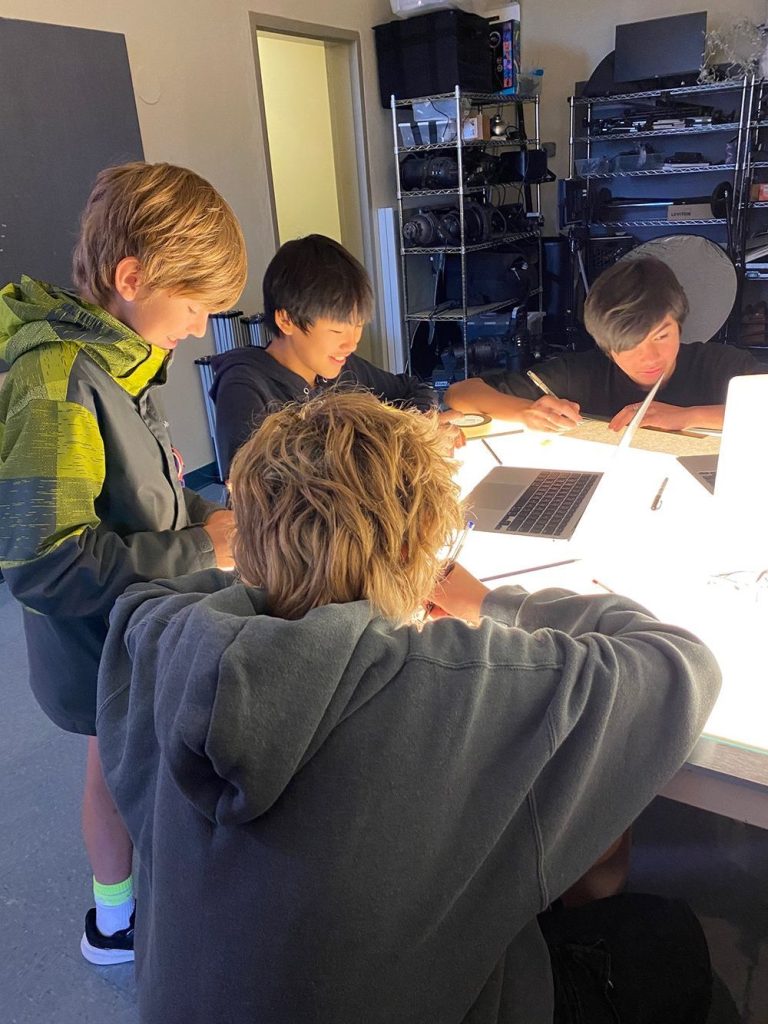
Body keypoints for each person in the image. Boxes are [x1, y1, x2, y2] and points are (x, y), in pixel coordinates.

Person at [97, 390, 720, 1024]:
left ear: (247, 537)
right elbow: (681, 664)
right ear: (417, 553)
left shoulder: (155, 643)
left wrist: (293, 574)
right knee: (668, 936)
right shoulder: (455, 684)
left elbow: (182, 593)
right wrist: (492, 605)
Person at [0, 162, 247, 964]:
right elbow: (41, 563)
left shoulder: (122, 356)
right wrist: (200, 547)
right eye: (196, 307)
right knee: (111, 776)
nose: (203, 329)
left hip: (141, 623)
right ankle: (112, 924)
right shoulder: (59, 383)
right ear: (133, 277)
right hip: (96, 648)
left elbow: (149, 487)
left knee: (139, 770)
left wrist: (213, 516)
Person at [210, 232, 460, 479]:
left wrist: (422, 426)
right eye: (337, 330)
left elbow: (412, 389)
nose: (351, 343)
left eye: (359, 325)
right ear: (286, 320)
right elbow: (266, 488)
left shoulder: (344, 369)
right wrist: (406, 444)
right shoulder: (244, 386)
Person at [446, 256, 766, 433]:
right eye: (629, 345)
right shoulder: (581, 374)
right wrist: (527, 411)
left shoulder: (717, 365)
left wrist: (690, 416)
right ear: (607, 347)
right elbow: (460, 393)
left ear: (679, 323)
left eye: (662, 335)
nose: (650, 357)